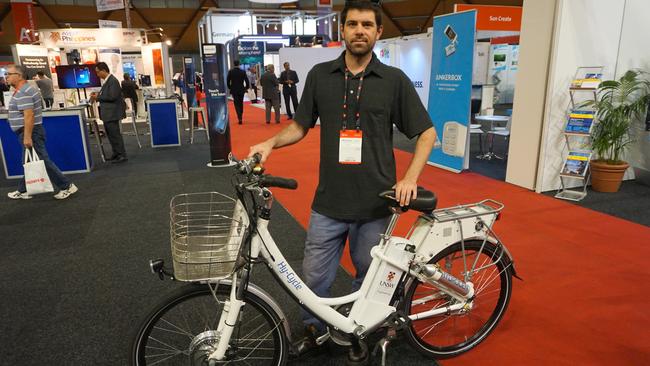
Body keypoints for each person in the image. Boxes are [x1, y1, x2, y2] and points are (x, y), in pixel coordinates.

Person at [248, 1, 437, 358]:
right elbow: (300, 125)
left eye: (367, 25)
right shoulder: (321, 75)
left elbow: (426, 132)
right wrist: (270, 142)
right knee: (313, 278)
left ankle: (359, 329)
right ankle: (315, 330)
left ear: (379, 32)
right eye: (352, 24)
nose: (360, 31)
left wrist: (410, 179)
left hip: (377, 203)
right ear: (342, 31)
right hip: (329, 202)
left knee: (367, 276)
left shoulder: (393, 81)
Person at [5, 64, 78, 200]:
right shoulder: (26, 89)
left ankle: (67, 186)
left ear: (19, 76)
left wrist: (27, 136)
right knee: (28, 162)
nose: (6, 77)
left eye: (9, 74)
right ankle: (23, 189)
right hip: (30, 131)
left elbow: (29, 115)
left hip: (30, 132)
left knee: (43, 161)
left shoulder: (24, 92)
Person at [90, 62, 127, 163]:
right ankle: (116, 153)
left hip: (112, 113)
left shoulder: (112, 81)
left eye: (98, 72)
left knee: (115, 134)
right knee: (111, 134)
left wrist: (97, 97)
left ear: (104, 70)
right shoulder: (108, 81)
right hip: (108, 113)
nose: (97, 75)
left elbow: (112, 96)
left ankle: (121, 155)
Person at [226, 60, 250, 125]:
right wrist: (246, 88)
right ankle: (240, 115)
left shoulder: (231, 72)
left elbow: (227, 81)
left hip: (234, 90)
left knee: (236, 103)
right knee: (241, 102)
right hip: (241, 89)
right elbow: (247, 81)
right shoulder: (243, 72)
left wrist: (230, 87)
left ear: (234, 64)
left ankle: (239, 117)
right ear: (239, 64)